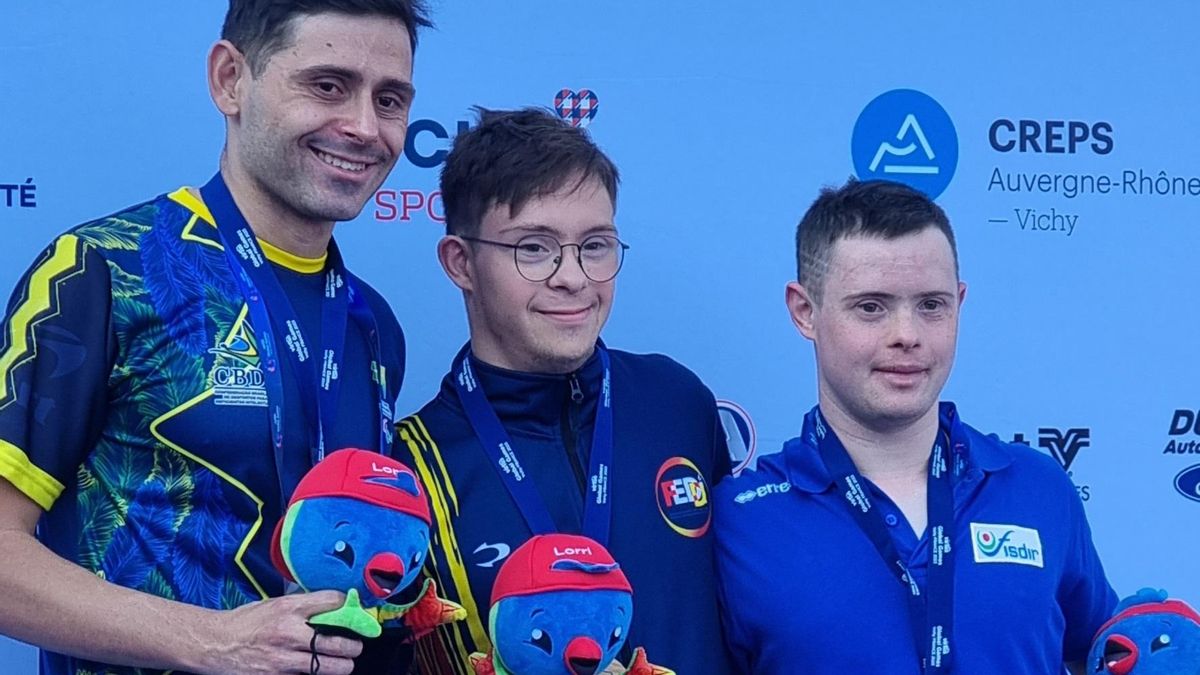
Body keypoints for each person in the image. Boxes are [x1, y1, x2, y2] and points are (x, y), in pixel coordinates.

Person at [0, 2, 430, 673]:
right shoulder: (104, 269)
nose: (363, 126)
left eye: (391, 98)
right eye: (327, 85)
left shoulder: (371, 325)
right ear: (231, 79)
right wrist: (211, 640)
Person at [712, 179, 1117, 674]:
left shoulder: (1039, 487)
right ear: (805, 311)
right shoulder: (740, 521)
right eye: (871, 307)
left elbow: (1099, 654)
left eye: (931, 305)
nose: (907, 335)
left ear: (959, 303)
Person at [394, 107, 735, 674]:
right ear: (461, 263)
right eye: (534, 248)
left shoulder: (676, 400)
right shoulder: (411, 470)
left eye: (596, 245)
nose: (573, 276)